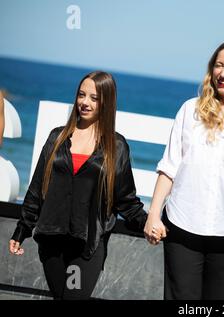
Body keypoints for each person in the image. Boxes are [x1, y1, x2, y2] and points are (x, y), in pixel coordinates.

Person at [144, 40, 224, 300]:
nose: (223, 73)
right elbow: (169, 166)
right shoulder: (190, 110)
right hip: (182, 225)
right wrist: (153, 214)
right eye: (218, 65)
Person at [8, 71, 147, 300]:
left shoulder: (116, 146)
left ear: (106, 102)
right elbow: (36, 189)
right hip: (52, 243)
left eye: (94, 98)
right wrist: (22, 229)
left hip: (85, 247)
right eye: (81, 95)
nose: (85, 102)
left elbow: (125, 199)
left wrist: (148, 223)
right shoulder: (58, 137)